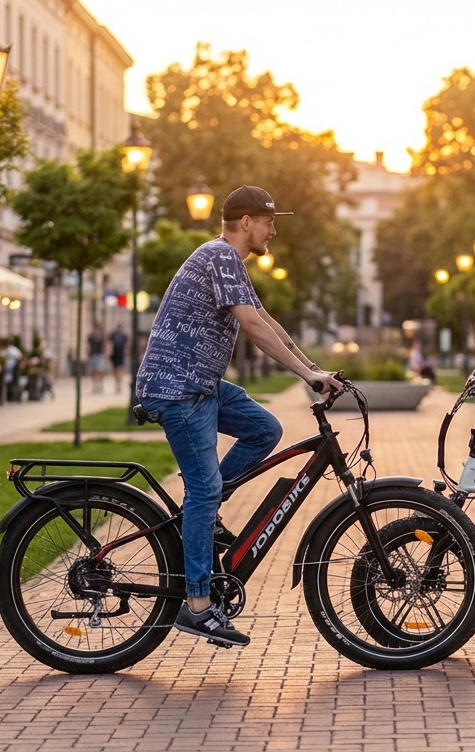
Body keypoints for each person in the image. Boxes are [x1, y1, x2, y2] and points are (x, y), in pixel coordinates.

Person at [136, 185, 340, 648]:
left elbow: (265, 321)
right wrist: (307, 376)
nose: (274, 229)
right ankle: (197, 606)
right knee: (205, 489)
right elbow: (250, 327)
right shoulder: (220, 255)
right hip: (179, 389)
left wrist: (313, 369)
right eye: (269, 221)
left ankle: (202, 517)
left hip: (202, 386)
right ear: (246, 222)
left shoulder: (231, 264)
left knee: (264, 429)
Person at [86, 324, 107, 394]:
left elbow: (104, 345)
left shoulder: (102, 336)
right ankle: (95, 386)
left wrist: (105, 354)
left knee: (99, 371)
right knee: (94, 371)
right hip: (93, 354)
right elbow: (88, 345)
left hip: (99, 355)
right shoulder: (91, 336)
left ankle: (100, 385)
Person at [109, 323, 129, 394]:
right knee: (115, 369)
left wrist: (126, 353)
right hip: (115, 354)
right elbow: (110, 343)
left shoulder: (124, 335)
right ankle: (117, 383)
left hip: (121, 354)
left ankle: (119, 383)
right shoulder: (113, 334)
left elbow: (126, 345)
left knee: (120, 369)